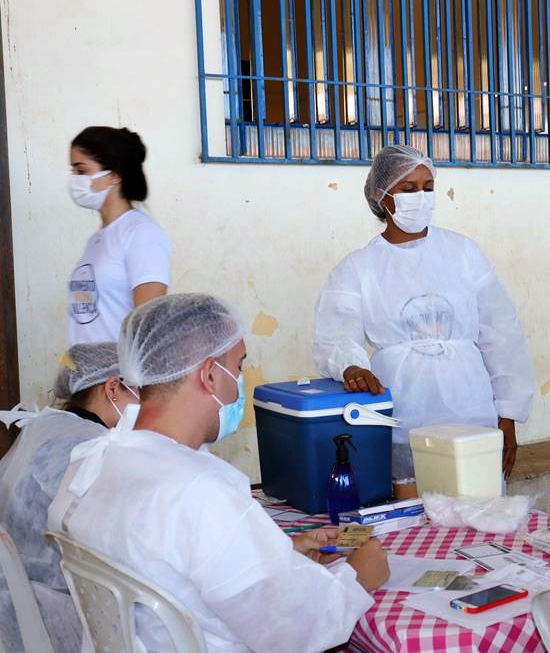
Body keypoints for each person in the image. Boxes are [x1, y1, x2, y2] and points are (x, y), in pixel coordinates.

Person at [48, 294, 389, 652]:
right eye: (238, 367)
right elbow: (293, 634)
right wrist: (357, 578)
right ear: (210, 375)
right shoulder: (199, 489)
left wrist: (278, 553)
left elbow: (168, 563)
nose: (239, 382)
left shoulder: (92, 459)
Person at [314, 144, 534, 481]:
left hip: (471, 406)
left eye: (428, 188)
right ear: (381, 195)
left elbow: (501, 333)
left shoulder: (463, 252)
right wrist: (351, 365)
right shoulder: (359, 268)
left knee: (478, 505)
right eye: (409, 189)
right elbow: (336, 334)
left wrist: (507, 414)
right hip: (405, 412)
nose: (421, 196)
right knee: (412, 500)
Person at [0, 342, 138, 653]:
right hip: (61, 605)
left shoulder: (47, 425)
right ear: (113, 388)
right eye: (141, 392)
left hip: (18, 596)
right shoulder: (90, 447)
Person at [67, 126, 170, 345]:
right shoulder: (96, 240)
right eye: (73, 172)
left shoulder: (140, 233)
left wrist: (126, 379)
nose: (75, 179)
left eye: (82, 171)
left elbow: (147, 324)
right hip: (88, 375)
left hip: (119, 376)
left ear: (114, 175)